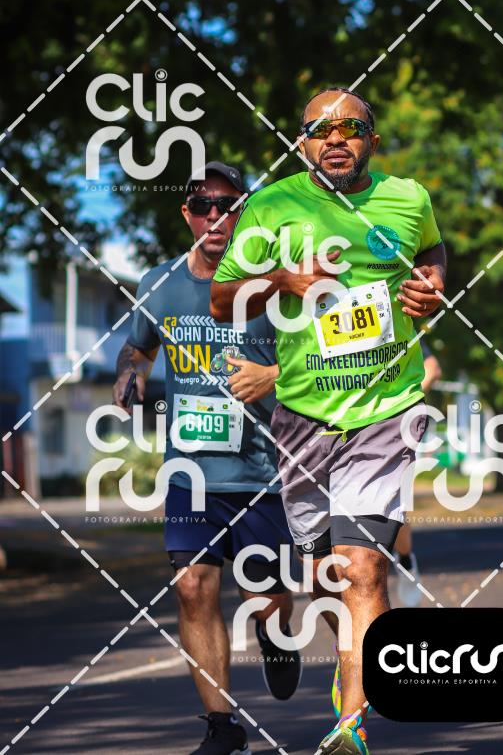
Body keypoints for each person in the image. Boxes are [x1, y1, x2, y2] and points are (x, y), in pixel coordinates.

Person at [211, 88, 445, 755]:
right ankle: (351, 664)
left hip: (386, 408)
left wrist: (431, 285)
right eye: (319, 129)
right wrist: (282, 281)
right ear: (301, 142)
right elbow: (223, 299)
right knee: (322, 576)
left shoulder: (408, 198)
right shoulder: (270, 205)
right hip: (304, 414)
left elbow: (433, 253)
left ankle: (352, 724)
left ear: (373, 139)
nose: (334, 138)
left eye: (350, 127)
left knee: (362, 570)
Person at [113, 162, 301, 755]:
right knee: (192, 586)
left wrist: (272, 375)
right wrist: (129, 375)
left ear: (246, 212)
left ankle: (277, 634)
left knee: (263, 596)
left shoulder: (272, 285)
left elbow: (322, 358)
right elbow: (137, 347)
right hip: (190, 472)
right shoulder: (159, 282)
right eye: (203, 206)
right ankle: (223, 728)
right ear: (187, 214)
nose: (215, 217)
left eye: (229, 205)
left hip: (262, 471)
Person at [394, 338, 442, 608]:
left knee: (394, 503)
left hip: (390, 428)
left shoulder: (393, 322)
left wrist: (400, 403)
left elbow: (432, 368)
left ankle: (405, 560)